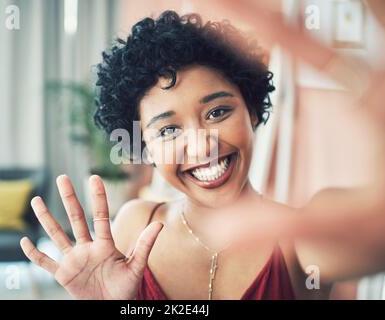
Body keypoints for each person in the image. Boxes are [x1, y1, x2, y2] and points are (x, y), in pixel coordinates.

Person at [20, 10, 385, 300]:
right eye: (168, 130)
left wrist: (369, 90)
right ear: (144, 145)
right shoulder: (135, 225)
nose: (201, 146)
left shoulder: (304, 241)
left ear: (252, 111)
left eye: (217, 112)